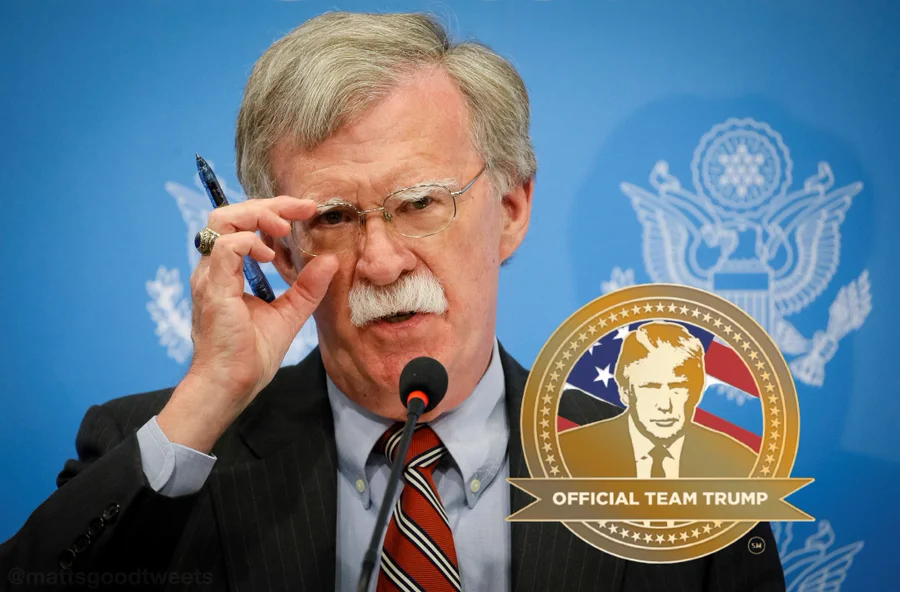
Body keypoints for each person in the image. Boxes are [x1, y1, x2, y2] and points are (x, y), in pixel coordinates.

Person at [0, 12, 783, 592]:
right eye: (335, 218)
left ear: (511, 210)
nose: (380, 260)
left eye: (419, 204)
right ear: (282, 249)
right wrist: (210, 397)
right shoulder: (165, 451)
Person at [560, 322, 757, 478]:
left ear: (697, 392)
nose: (665, 405)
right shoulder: (566, 454)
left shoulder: (739, 464)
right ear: (625, 391)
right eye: (651, 387)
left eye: (677, 387)